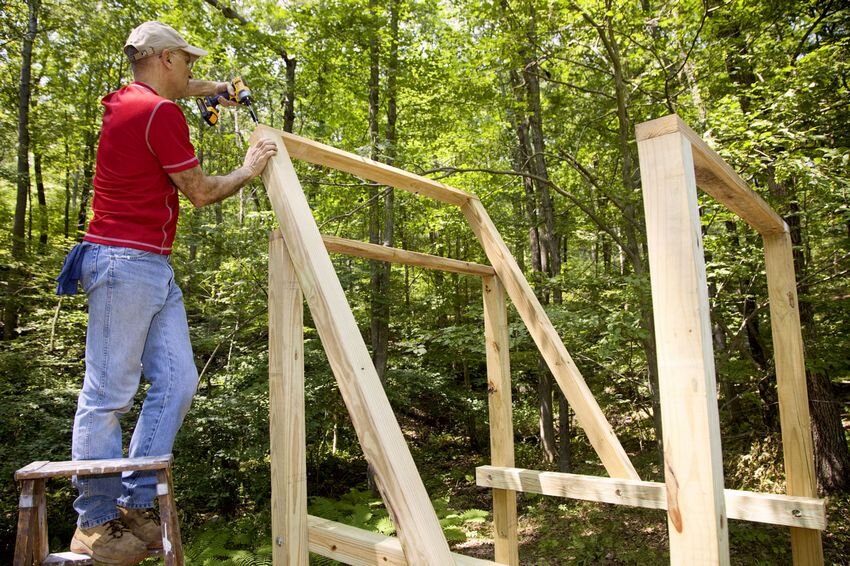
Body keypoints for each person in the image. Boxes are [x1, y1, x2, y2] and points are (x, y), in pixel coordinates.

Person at [55, 21, 277, 565]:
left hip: (152, 266)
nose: (195, 74)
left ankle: (134, 505)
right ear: (166, 60)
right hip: (123, 262)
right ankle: (94, 522)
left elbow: (180, 90)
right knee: (107, 394)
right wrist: (250, 169)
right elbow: (200, 192)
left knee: (176, 382)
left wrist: (215, 91)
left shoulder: (134, 101)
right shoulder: (157, 114)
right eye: (190, 64)